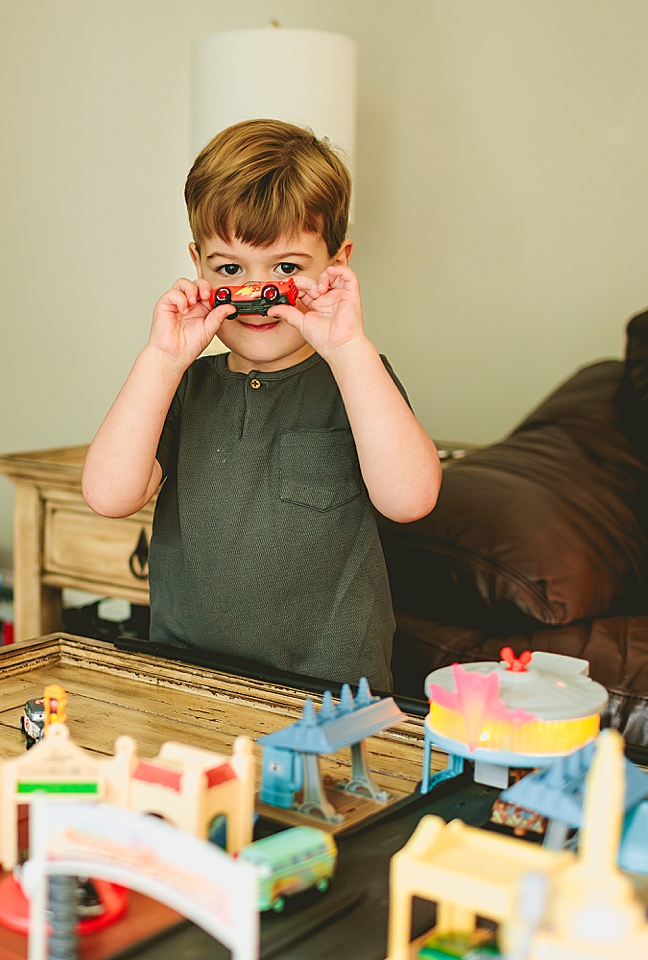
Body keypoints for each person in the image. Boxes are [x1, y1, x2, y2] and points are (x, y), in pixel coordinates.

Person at [82, 119, 442, 690]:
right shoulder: (183, 384)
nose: (257, 295)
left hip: (330, 690)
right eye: (230, 270)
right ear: (197, 264)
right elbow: (108, 495)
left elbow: (411, 500)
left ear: (338, 265)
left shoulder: (355, 377)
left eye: (287, 268)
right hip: (187, 677)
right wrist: (161, 358)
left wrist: (349, 350)